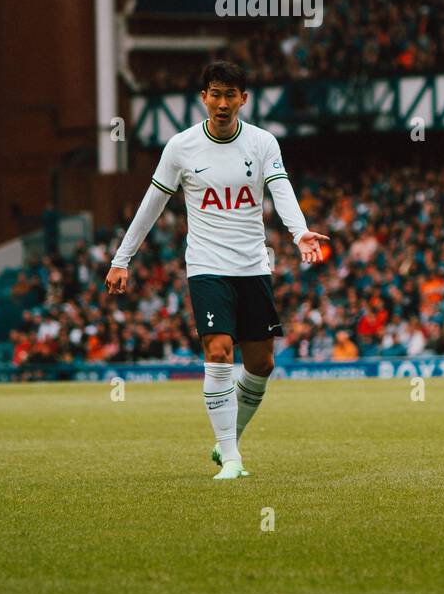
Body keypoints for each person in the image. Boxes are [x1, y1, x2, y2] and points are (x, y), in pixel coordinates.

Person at [105, 61, 328, 481]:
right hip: (207, 266)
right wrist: (122, 258)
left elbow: (281, 190)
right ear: (203, 97)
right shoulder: (181, 147)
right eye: (215, 94)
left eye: (231, 95)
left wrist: (299, 233)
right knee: (220, 352)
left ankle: (228, 439)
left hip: (253, 266)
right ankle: (232, 459)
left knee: (261, 364)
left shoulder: (262, 143)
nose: (222, 103)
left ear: (244, 99)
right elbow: (151, 205)